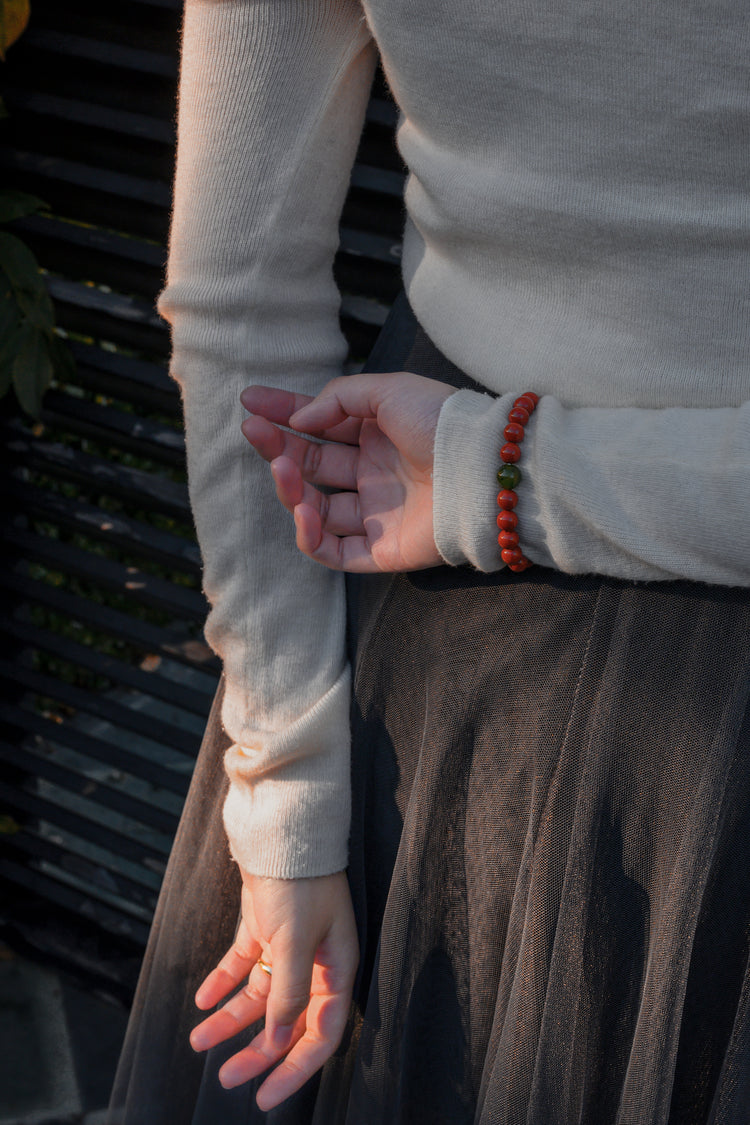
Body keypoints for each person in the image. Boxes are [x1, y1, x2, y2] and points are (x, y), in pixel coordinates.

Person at [107, 1, 750, 1122]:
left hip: (438, 591)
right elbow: (242, 313)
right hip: (438, 553)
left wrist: (290, 789)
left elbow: (237, 303)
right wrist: (292, 803)